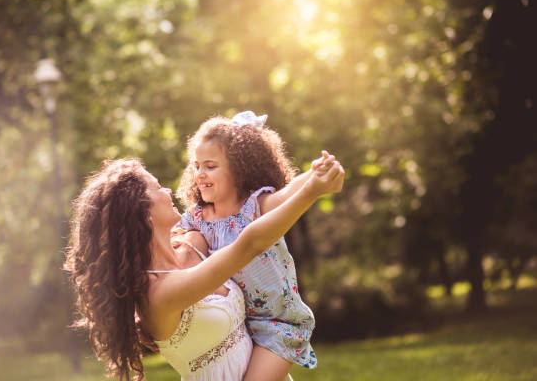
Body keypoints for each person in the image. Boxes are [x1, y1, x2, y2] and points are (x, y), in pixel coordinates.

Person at [64, 155, 344, 381]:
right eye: (158, 187)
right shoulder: (158, 294)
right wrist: (310, 193)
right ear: (142, 211)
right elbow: (248, 245)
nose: (168, 190)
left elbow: (254, 211)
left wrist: (313, 175)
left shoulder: (195, 240)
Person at [177, 112, 337, 380]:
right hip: (234, 325)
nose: (199, 175)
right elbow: (172, 246)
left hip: (278, 325)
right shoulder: (197, 219)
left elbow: (289, 194)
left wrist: (314, 173)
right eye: (196, 166)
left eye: (210, 166)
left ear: (239, 170)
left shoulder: (256, 206)